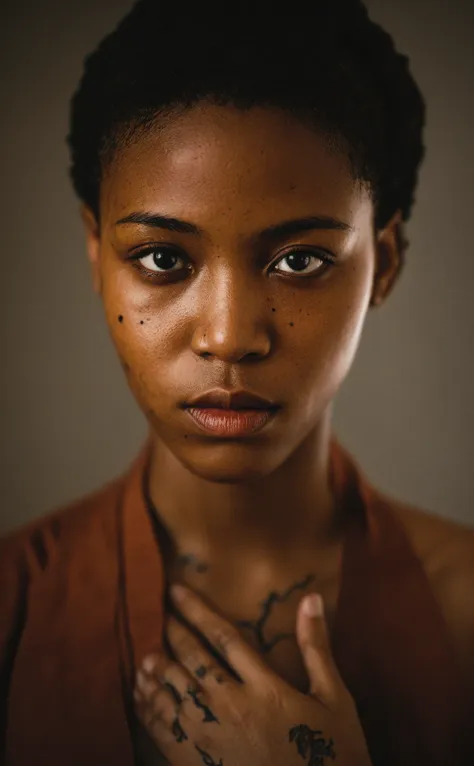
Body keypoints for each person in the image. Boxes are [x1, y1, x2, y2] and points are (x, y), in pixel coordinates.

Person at [1, 0, 473, 764]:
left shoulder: (465, 616)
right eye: (162, 259)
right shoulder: (11, 609)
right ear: (96, 254)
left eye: (299, 261)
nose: (228, 336)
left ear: (383, 264)